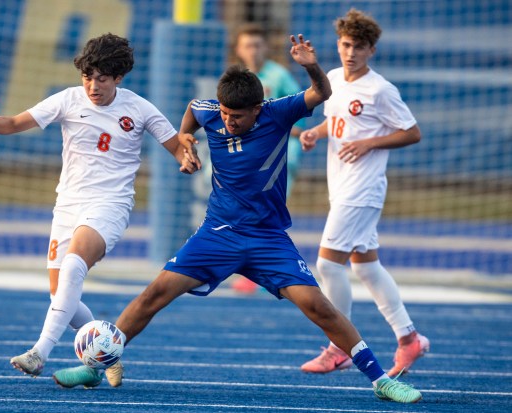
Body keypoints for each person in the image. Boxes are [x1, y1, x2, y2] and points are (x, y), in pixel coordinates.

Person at [52, 34, 423, 404]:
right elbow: (192, 113)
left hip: (267, 238)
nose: (228, 121)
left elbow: (322, 93)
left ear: (258, 109)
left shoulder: (279, 112)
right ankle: (96, 366)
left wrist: (310, 65)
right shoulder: (210, 111)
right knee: (155, 294)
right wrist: (185, 142)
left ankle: (380, 380)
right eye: (225, 114)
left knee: (318, 306)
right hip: (218, 234)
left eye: (238, 116)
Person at [0, 33, 197, 387]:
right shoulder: (68, 100)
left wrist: (187, 158)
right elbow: (15, 123)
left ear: (118, 78)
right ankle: (107, 355)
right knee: (62, 296)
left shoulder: (139, 108)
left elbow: (176, 146)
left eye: (102, 79)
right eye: (87, 77)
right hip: (68, 206)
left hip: (111, 204)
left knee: (75, 263)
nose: (93, 86)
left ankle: (39, 353)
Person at [298, 9, 429, 377]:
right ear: (338, 45)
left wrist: (371, 143)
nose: (350, 52)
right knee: (366, 266)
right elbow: (337, 121)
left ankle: (339, 346)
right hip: (340, 186)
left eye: (358, 46)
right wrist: (316, 133)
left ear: (371, 50)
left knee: (327, 264)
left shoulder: (381, 90)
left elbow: (412, 131)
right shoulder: (335, 78)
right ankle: (409, 339)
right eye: (345, 44)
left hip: (363, 187)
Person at [231, 23, 307, 294]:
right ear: (239, 49)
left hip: (280, 156)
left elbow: (299, 110)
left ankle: (263, 272)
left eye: (257, 44)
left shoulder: (279, 76)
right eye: (247, 44)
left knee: (262, 216)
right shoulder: (237, 79)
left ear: (265, 47)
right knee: (257, 217)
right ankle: (266, 271)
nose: (253, 50)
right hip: (250, 158)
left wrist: (283, 130)